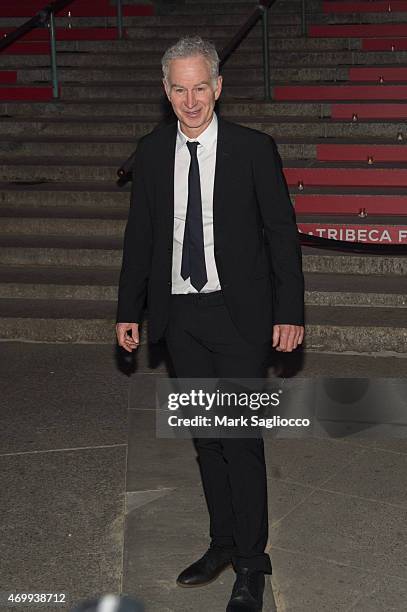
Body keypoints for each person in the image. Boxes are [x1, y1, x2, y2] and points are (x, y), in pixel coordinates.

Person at [116, 36, 304, 612]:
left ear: (219, 87)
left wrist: (289, 312)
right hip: (181, 316)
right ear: (165, 91)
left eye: (201, 87)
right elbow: (142, 237)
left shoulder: (253, 149)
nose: (191, 100)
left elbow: (280, 234)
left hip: (240, 315)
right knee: (206, 439)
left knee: (241, 439)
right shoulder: (151, 152)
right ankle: (222, 542)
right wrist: (129, 309)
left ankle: (252, 564)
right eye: (179, 88)